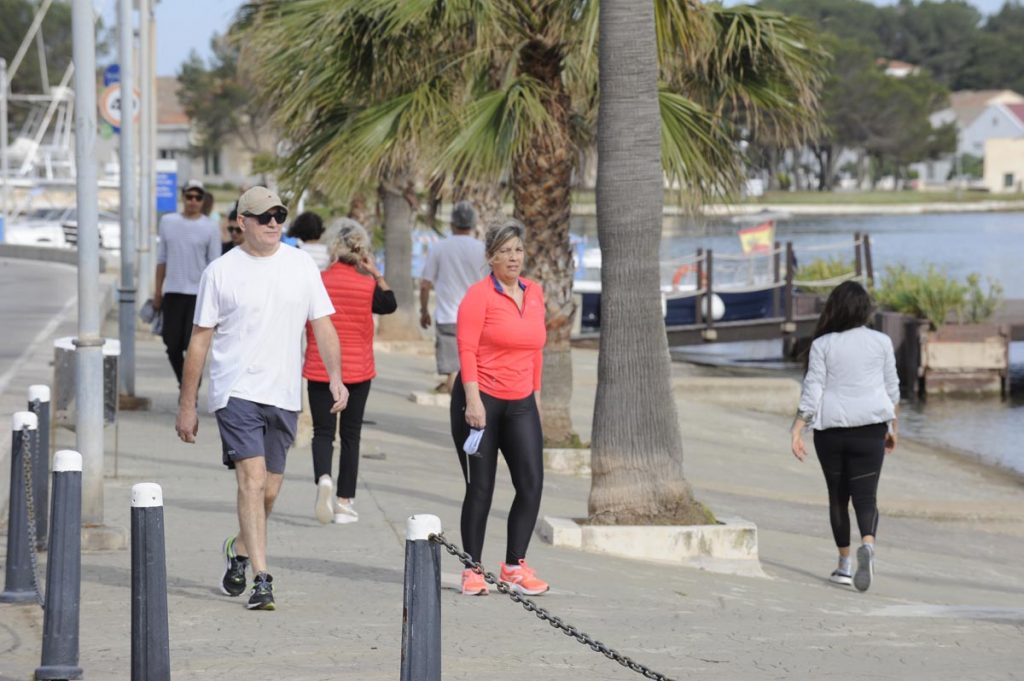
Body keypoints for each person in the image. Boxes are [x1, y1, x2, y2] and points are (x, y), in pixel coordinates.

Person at [175, 186, 348, 611]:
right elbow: (199, 341)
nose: (273, 223)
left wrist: (336, 378)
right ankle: (262, 580)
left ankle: (238, 550)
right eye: (263, 216)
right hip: (235, 392)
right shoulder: (220, 271)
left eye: (278, 216)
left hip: (284, 393)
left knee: (269, 491)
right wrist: (187, 404)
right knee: (251, 482)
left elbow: (323, 326)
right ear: (242, 223)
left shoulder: (301, 265)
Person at [450, 219, 548, 597]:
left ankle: (514, 566)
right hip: (481, 399)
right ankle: (472, 568)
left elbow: (536, 350)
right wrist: (473, 401)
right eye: (505, 251)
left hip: (521, 401)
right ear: (490, 257)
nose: (513, 257)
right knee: (481, 488)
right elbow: (467, 350)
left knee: (531, 483)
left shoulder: (535, 293)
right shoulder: (479, 296)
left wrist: (536, 399)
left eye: (518, 250)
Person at [791, 280, 899, 593]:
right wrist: (893, 429)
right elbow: (892, 388)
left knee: (838, 498)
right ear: (865, 310)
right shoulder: (881, 342)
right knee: (866, 496)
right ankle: (869, 544)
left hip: (831, 431)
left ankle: (844, 565)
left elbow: (813, 389)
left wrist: (797, 429)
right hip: (871, 427)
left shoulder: (823, 344)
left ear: (835, 308)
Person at [304, 219, 397, 525]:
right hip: (358, 371)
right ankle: (344, 503)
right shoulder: (368, 286)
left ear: (333, 247)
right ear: (361, 252)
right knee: (351, 436)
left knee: (323, 433)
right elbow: (390, 304)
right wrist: (376, 272)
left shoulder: (317, 281)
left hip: (321, 368)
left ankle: (324, 480)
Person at [153, 179, 221, 386]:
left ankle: (189, 390)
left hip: (198, 295)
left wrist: (215, 301)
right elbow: (162, 259)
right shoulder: (168, 222)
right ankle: (187, 383)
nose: (193, 201)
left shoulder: (210, 227)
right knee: (171, 344)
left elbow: (215, 266)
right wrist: (157, 292)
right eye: (189, 196)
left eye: (197, 197)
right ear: (182, 197)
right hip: (173, 292)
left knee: (192, 345)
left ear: (203, 200)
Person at [420, 201, 487, 394]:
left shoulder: (440, 248)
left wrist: (424, 311)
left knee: (453, 373)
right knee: (474, 371)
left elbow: (425, 284)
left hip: (448, 317)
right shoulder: (482, 249)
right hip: (478, 319)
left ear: (452, 224)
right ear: (474, 225)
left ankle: (456, 417)